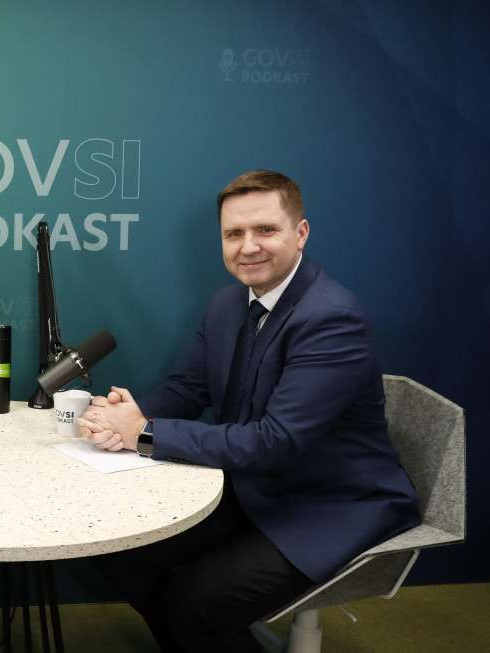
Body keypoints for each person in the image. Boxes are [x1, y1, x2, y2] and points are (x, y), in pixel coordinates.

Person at [78, 170, 420, 652]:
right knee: (113, 546)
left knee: (193, 605)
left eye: (266, 230)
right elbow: (188, 388)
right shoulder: (226, 304)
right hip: (246, 484)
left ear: (301, 233)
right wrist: (121, 418)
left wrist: (144, 433)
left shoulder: (332, 318)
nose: (248, 246)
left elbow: (275, 442)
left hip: (328, 504)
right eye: (234, 234)